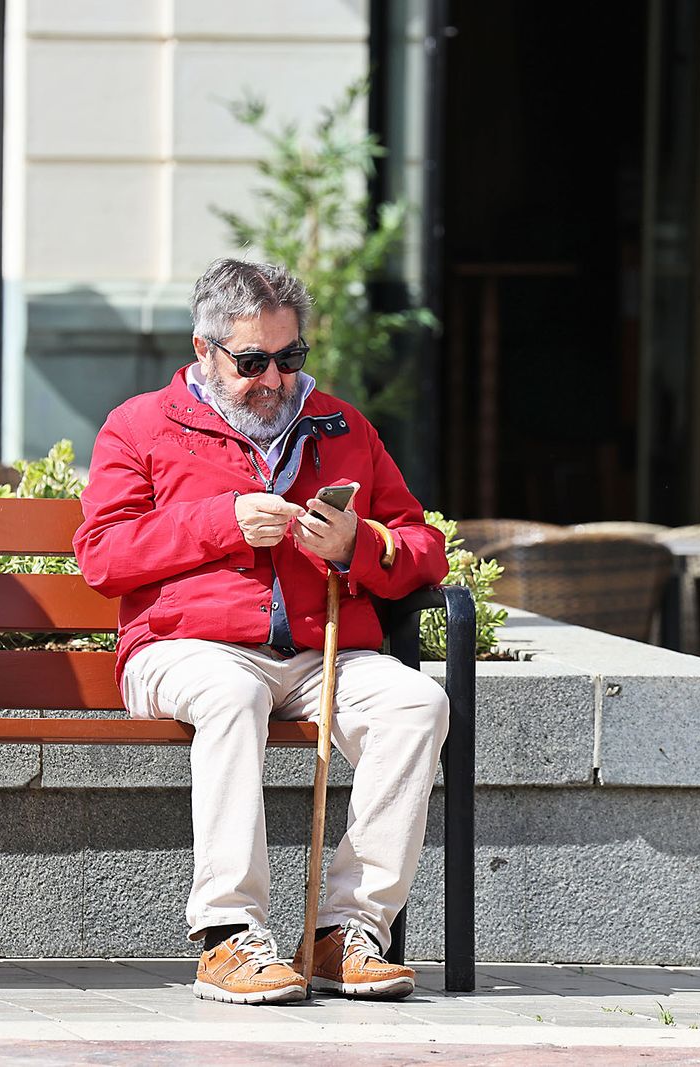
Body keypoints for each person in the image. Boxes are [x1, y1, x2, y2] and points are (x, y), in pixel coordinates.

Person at [74, 258, 450, 1005]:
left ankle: (344, 933)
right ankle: (228, 936)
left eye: (289, 357)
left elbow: (420, 541)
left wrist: (357, 545)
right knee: (229, 691)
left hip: (320, 650)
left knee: (417, 704)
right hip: (184, 648)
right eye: (250, 362)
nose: (274, 379)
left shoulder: (343, 425)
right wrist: (222, 522)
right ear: (204, 350)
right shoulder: (141, 424)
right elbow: (102, 554)